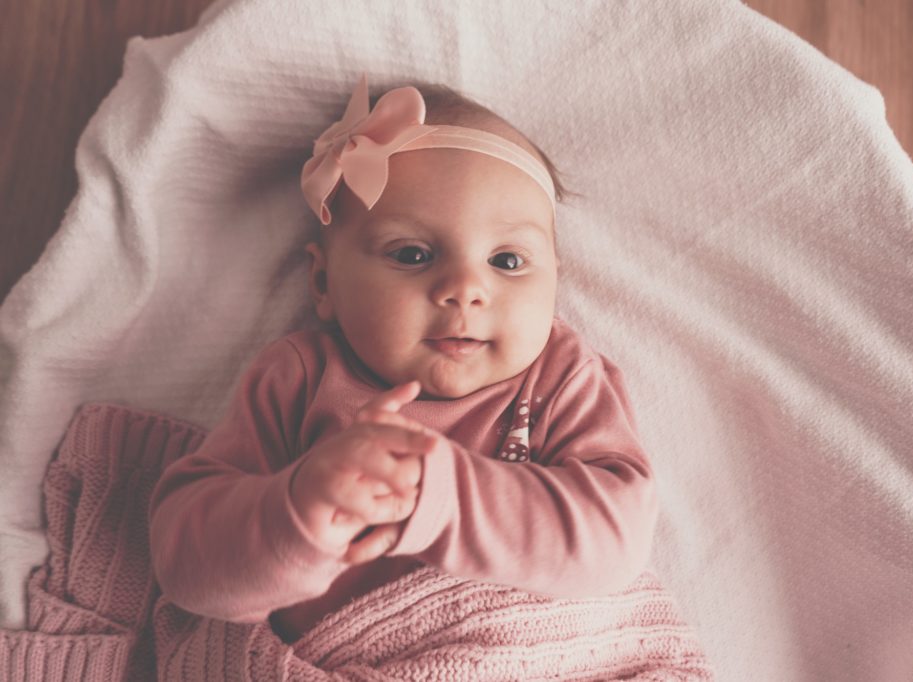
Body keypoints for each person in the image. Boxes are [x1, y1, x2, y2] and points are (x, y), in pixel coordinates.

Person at [148, 75, 660, 644]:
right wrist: (293, 512)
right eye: (413, 254)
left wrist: (439, 496)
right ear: (323, 282)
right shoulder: (302, 377)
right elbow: (184, 566)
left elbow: (620, 538)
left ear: (554, 282)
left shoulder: (561, 378)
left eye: (508, 261)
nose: (466, 288)